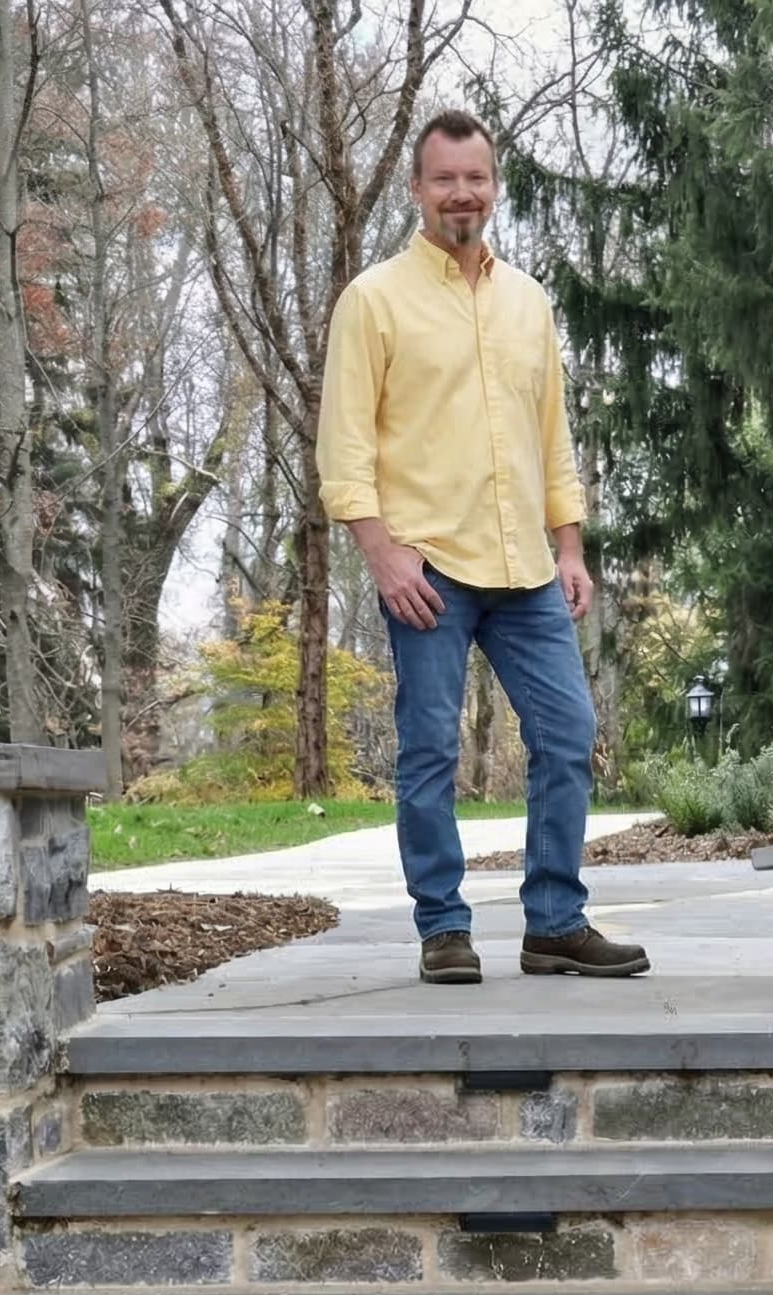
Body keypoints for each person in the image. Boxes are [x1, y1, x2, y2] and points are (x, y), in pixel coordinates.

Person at [316, 108, 650, 985]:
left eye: (476, 178)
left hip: (526, 569)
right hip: (427, 568)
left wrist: (571, 549)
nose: (461, 193)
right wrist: (384, 556)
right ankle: (443, 927)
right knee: (428, 750)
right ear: (418, 188)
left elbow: (552, 437)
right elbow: (344, 451)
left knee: (570, 735)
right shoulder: (374, 300)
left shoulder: (528, 301)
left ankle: (554, 924)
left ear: (494, 187)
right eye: (444, 178)